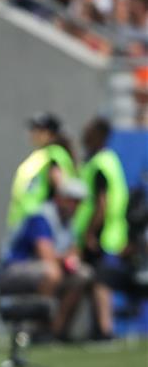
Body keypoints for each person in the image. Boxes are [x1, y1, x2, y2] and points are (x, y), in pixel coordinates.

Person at [0, 177, 94, 339]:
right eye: (71, 201)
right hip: (14, 269)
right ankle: (40, 329)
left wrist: (71, 258)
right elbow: (46, 255)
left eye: (78, 202)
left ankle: (57, 331)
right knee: (51, 273)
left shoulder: (70, 221)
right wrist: (67, 259)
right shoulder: (41, 216)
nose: (75, 206)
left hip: (51, 267)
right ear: (59, 198)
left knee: (83, 274)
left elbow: (75, 252)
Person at [73, 117, 131, 339]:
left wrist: (89, 232)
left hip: (102, 235)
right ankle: (98, 329)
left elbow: (101, 204)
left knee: (101, 281)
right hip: (112, 233)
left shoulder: (99, 164)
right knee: (94, 280)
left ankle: (105, 329)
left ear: (98, 135)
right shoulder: (110, 160)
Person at [6, 112, 78, 231]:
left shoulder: (54, 154)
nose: (33, 133)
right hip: (27, 223)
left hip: (40, 224)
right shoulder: (42, 154)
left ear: (50, 133)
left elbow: (61, 187)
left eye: (39, 130)